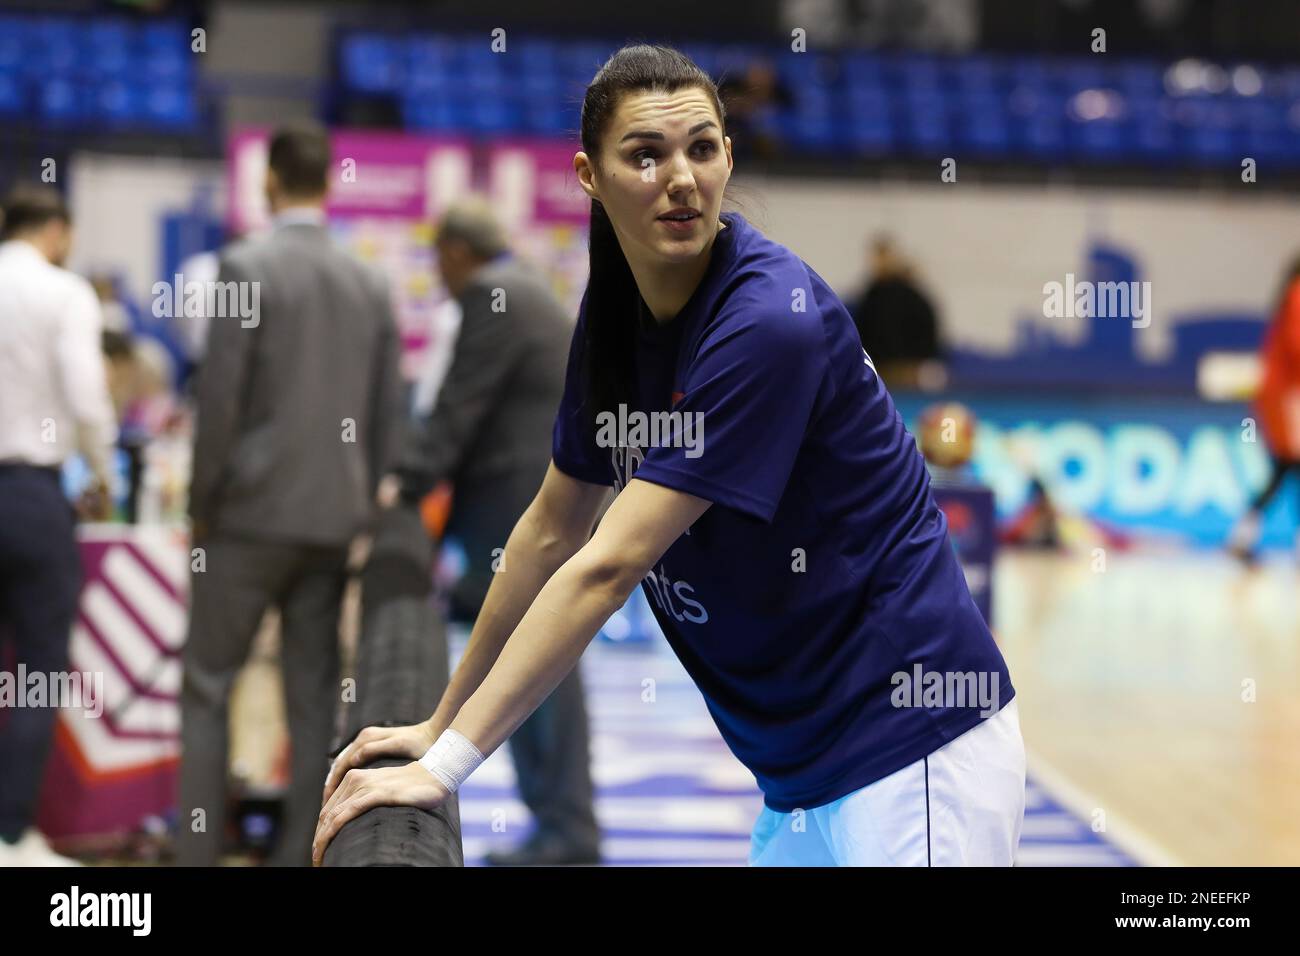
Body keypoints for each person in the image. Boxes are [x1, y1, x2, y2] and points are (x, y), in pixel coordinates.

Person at [316, 44, 1024, 868]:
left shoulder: (769, 323)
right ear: (589, 175)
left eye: (702, 146)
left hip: (912, 752)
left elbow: (605, 565)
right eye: (645, 155)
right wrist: (442, 718)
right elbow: (551, 528)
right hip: (800, 774)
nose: (680, 177)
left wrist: (444, 768)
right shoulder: (615, 311)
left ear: (729, 154)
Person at [178, 121, 403, 866]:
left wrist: (200, 502)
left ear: (268, 182)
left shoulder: (244, 266)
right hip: (332, 521)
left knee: (210, 686)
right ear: (328, 184)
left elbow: (220, 405)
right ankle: (298, 857)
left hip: (245, 516)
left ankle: (198, 851)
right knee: (313, 701)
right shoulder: (369, 282)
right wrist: (363, 503)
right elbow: (384, 414)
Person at [387, 197, 601, 866]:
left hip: (522, 516)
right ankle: (560, 827)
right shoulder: (527, 288)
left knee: (540, 675)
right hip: (533, 508)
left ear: (454, 253)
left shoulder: (492, 296)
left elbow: (457, 411)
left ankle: (566, 832)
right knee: (539, 672)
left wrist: (403, 485)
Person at [0, 184, 117, 865]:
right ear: (58, 231)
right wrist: (102, 475)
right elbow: (87, 396)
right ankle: (10, 834)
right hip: (32, 493)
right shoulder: (64, 292)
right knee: (40, 671)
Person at [1229, 256, 1300, 563]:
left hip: (1284, 396)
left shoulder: (1290, 295)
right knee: (1289, 465)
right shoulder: (1299, 293)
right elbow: (1297, 345)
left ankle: (1244, 534)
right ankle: (1245, 534)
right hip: (1288, 398)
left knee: (1285, 468)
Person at [850, 235, 943, 389]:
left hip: (911, 369)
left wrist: (916, 363)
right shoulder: (871, 297)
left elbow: (927, 331)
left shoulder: (912, 297)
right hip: (881, 368)